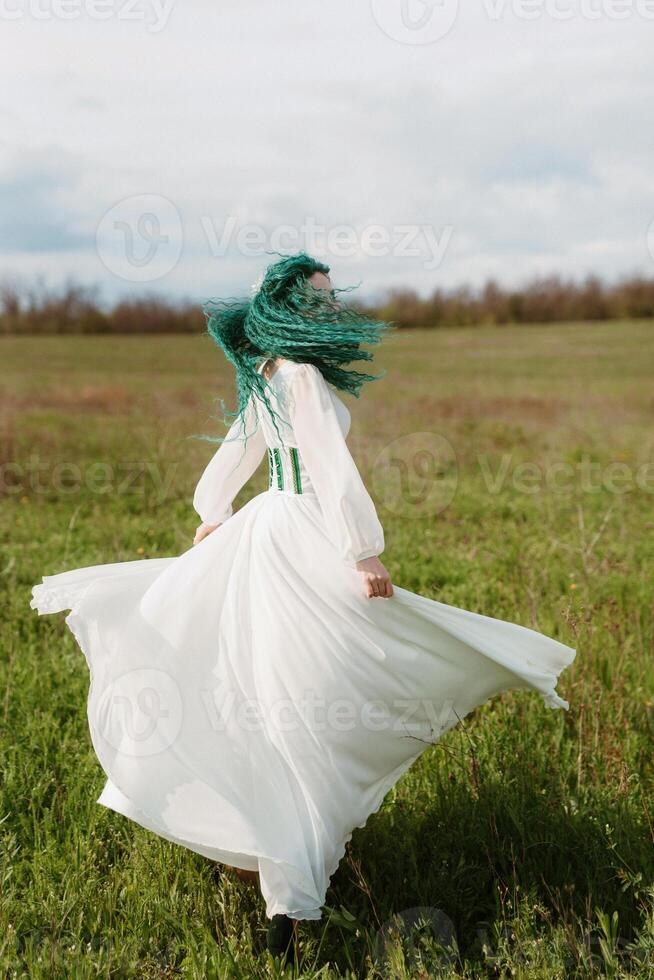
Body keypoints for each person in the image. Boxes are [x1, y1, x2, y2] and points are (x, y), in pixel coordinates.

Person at [31, 253, 576, 959]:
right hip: (307, 534)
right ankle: (293, 868)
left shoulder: (267, 373)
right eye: (316, 298)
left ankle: (281, 868)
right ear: (287, 303)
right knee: (332, 681)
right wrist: (361, 547)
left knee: (273, 684)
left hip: (267, 528)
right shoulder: (302, 377)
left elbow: (234, 455)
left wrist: (215, 508)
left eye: (330, 297)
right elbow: (328, 463)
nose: (329, 307)